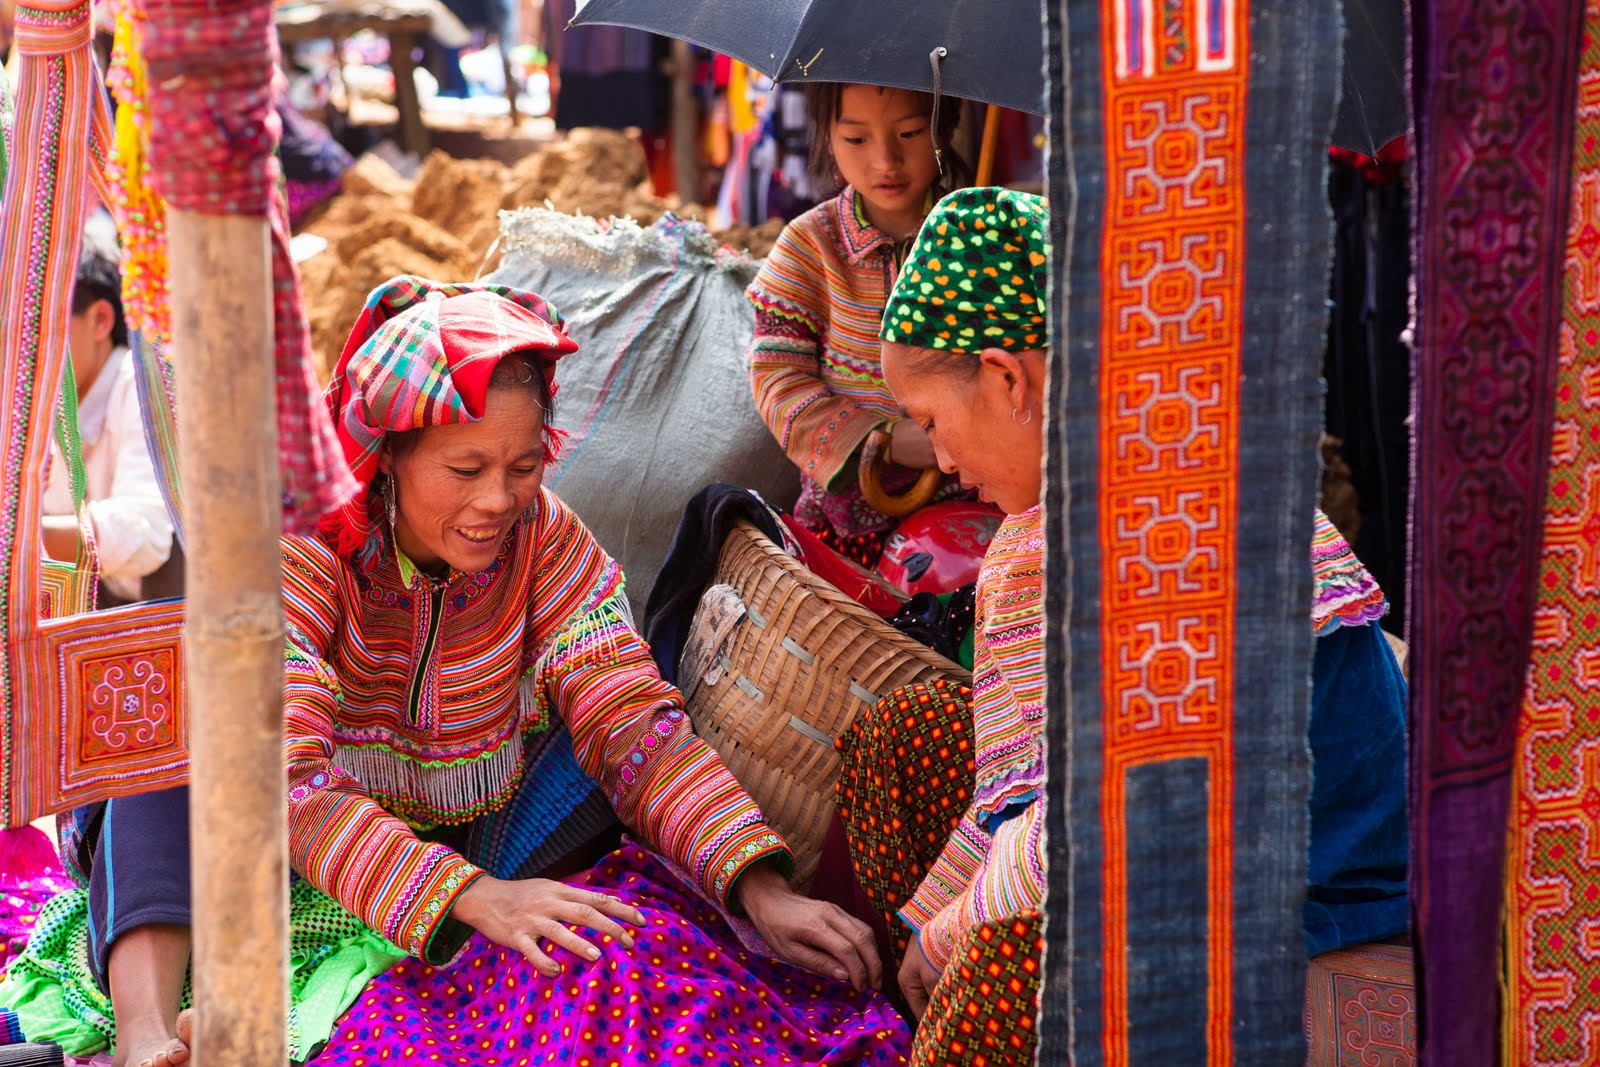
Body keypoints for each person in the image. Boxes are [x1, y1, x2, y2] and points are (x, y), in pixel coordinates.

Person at [0, 276, 907, 1067]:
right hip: (278, 839)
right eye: (464, 467)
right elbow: (286, 777)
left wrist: (760, 886)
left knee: (606, 776)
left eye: (521, 466)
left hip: (469, 823)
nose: (498, 500)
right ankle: (148, 1031)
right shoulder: (307, 543)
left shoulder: (544, 538)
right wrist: (471, 897)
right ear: (387, 458)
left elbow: (630, 714)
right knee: (188, 741)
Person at [832, 187, 1408, 1065]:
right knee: (899, 739)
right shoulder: (1048, 521)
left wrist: (955, 931)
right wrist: (919, 927)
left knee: (1015, 958)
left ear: (1006, 377)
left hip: (1297, 887)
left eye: (932, 425)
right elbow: (1021, 785)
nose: (941, 461)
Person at [743, 82, 972, 569]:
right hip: (844, 523)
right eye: (856, 139)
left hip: (976, 500)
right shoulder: (809, 246)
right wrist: (883, 441)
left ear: (944, 127)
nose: (886, 161)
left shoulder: (980, 240)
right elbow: (777, 379)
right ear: (826, 136)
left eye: (910, 132)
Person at [41, 223, 174, 605]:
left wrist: (22, 537)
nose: (23, 347)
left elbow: (146, 534)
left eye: (42, 325)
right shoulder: (46, 409)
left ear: (100, 320)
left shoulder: (144, 383)